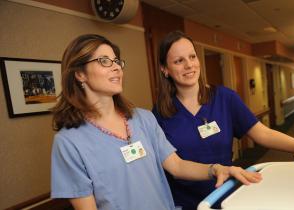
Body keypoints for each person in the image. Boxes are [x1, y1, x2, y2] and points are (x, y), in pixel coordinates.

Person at [50, 34, 262, 210]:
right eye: (105, 61)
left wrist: (215, 169)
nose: (116, 68)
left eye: (117, 61)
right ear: (79, 74)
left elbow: (177, 166)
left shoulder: (143, 118)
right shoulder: (69, 142)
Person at [152, 30, 294, 210]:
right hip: (185, 203)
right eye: (179, 61)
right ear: (165, 69)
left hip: (224, 197)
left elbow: (263, 134)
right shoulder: (160, 114)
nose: (189, 65)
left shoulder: (225, 98)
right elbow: (172, 166)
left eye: (192, 57)